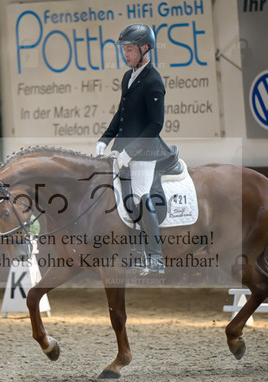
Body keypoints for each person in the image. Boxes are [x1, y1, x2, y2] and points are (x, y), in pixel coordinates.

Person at [96, 23, 173, 275]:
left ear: (145, 48)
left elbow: (155, 125)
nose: (125, 54)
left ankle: (155, 257)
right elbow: (121, 113)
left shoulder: (153, 80)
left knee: (138, 195)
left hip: (146, 151)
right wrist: (105, 139)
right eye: (124, 50)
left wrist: (131, 152)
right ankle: (134, 252)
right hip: (123, 149)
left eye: (130, 49)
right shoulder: (128, 77)